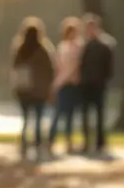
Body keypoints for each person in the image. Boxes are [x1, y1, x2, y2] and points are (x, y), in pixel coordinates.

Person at [10, 18, 56, 159]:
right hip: (39, 90)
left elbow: (15, 68)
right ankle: (37, 142)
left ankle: (24, 141)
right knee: (38, 117)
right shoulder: (44, 50)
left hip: (24, 89)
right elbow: (50, 70)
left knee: (25, 118)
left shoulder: (20, 49)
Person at [78, 13, 116, 155]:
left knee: (100, 113)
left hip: (99, 84)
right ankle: (86, 141)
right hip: (85, 84)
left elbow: (109, 66)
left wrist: (105, 79)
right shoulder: (84, 45)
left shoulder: (105, 46)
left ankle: (100, 142)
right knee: (85, 114)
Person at [47, 17, 83, 155]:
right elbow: (59, 66)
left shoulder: (79, 47)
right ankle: (51, 139)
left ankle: (69, 141)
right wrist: (57, 82)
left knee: (70, 114)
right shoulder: (62, 47)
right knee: (58, 112)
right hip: (63, 83)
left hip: (73, 84)